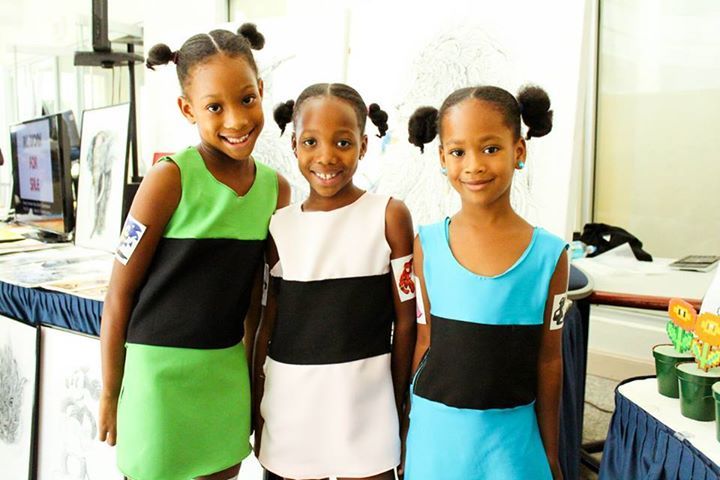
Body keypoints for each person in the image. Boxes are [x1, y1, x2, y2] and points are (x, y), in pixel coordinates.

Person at [97, 23, 291, 480]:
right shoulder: (168, 178)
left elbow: (257, 305)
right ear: (188, 109)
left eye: (247, 99)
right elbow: (119, 293)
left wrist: (254, 388)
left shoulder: (275, 191)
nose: (236, 120)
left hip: (224, 379)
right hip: (158, 384)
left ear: (261, 91)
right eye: (214, 107)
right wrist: (109, 392)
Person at [404, 85, 569, 480]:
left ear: (519, 151)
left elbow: (549, 360)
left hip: (511, 447)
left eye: (491, 148)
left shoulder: (550, 257)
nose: (474, 165)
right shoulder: (426, 245)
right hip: (435, 442)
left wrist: (551, 452)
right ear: (442, 158)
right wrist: (409, 430)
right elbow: (425, 341)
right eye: (458, 152)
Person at [253, 83, 416, 480]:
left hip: (367, 411)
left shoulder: (389, 216)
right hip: (291, 411)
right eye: (311, 142)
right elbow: (266, 323)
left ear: (363, 145)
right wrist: (256, 401)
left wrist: (399, 405)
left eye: (342, 143)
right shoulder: (279, 225)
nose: (326, 157)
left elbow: (406, 322)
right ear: (294, 145)